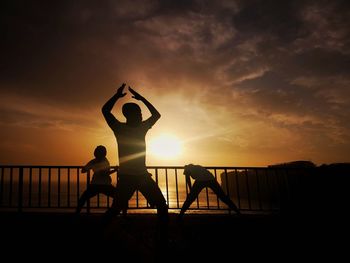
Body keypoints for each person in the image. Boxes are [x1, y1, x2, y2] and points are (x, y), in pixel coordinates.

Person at [102, 83, 168, 226]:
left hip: (142, 176)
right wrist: (117, 96)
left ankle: (162, 237)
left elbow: (157, 115)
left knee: (162, 205)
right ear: (129, 115)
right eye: (138, 113)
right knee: (115, 209)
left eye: (140, 113)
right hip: (127, 177)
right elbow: (105, 110)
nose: (141, 115)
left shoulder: (137, 128)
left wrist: (141, 98)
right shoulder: (120, 128)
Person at [76, 145, 123, 214]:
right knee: (119, 197)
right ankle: (116, 213)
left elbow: (83, 170)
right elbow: (104, 174)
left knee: (83, 199)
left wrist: (91, 167)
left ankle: (76, 214)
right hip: (105, 185)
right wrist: (115, 170)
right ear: (104, 153)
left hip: (94, 185)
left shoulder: (93, 161)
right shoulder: (105, 161)